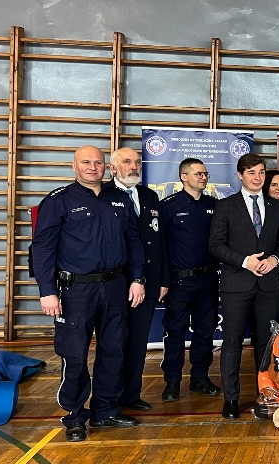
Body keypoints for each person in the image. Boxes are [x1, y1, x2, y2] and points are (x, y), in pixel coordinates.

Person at [31, 145, 146, 441]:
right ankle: (74, 416)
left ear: (107, 167)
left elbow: (133, 241)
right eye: (86, 162)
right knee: (74, 354)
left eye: (98, 162)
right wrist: (47, 291)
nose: (93, 167)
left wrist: (137, 278)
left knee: (113, 350)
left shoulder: (120, 199)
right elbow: (42, 248)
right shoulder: (58, 201)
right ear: (74, 166)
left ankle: (105, 410)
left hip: (115, 286)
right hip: (75, 290)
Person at [209, 153, 279, 419]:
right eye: (251, 173)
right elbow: (215, 245)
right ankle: (231, 399)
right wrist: (245, 261)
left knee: (267, 344)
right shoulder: (225, 206)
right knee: (232, 342)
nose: (257, 178)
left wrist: (274, 260)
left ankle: (265, 394)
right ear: (240, 175)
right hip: (236, 284)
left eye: (261, 172)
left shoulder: (277, 208)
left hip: (269, 286)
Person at [106, 147, 168, 412]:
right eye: (127, 162)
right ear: (112, 168)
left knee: (139, 342)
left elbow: (160, 240)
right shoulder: (103, 195)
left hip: (149, 281)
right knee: (114, 343)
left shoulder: (149, 195)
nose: (134, 166)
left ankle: (131, 395)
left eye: (137, 162)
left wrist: (163, 279)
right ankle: (109, 399)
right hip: (116, 283)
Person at [159, 157, 221, 401]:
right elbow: (159, 246)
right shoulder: (168, 206)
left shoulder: (214, 205)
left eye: (205, 174)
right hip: (179, 282)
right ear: (183, 177)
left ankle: (200, 378)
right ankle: (172, 382)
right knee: (175, 333)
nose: (203, 177)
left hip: (208, 279)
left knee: (205, 332)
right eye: (198, 174)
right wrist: (163, 280)